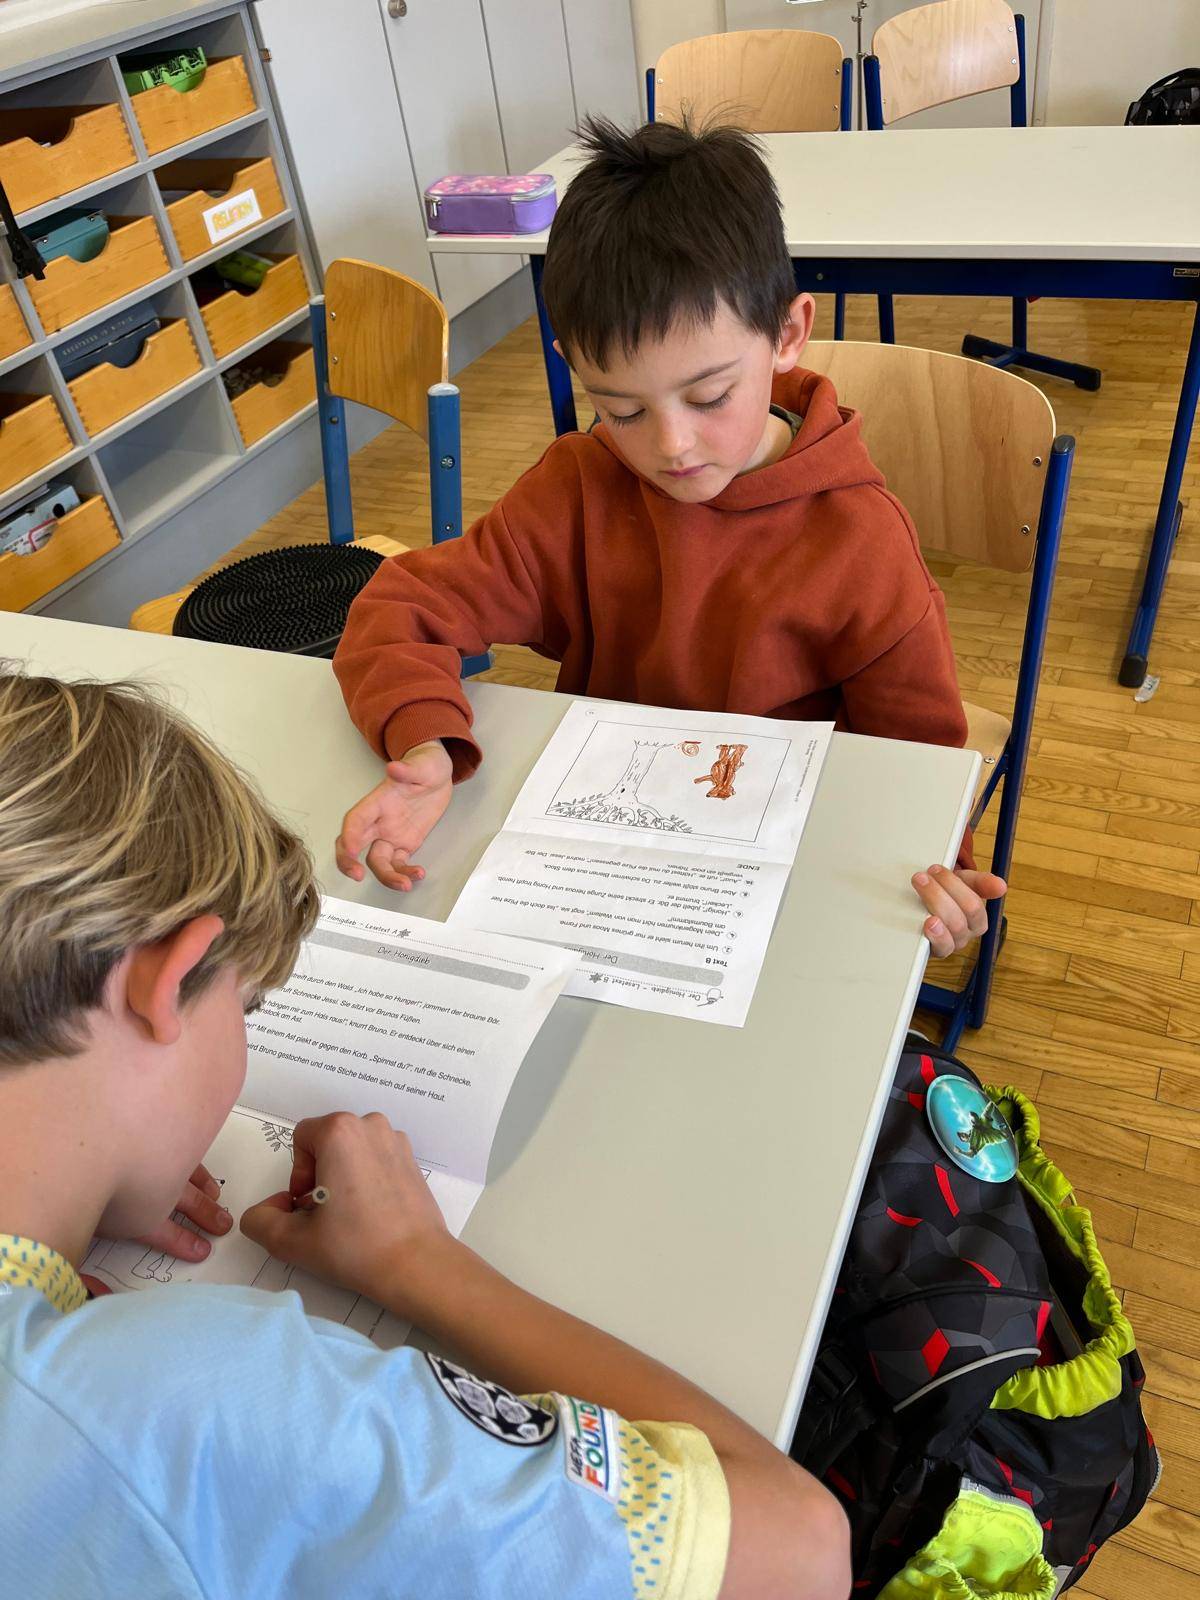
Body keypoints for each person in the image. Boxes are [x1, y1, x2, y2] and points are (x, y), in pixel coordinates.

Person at [0, 669, 849, 1600]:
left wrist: (76, 1184)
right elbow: (801, 1549)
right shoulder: (189, 1401)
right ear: (172, 981)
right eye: (247, 1005)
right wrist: (417, 1260)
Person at [333, 116, 1004, 960]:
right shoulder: (577, 488)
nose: (671, 446)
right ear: (574, 367)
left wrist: (942, 874)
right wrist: (424, 744)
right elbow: (402, 606)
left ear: (788, 334)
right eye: (621, 409)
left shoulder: (862, 543)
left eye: (710, 396)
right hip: (607, 860)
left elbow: (914, 765)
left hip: (772, 870)